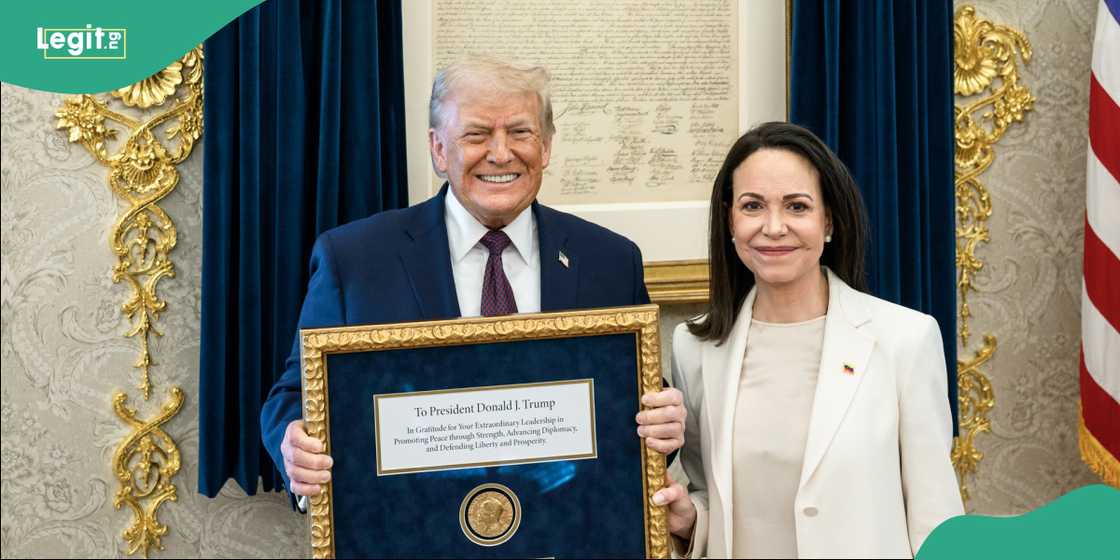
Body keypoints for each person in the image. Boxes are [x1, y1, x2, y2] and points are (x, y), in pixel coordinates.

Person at [259, 58, 686, 503]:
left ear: (546, 147)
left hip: (567, 531)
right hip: (410, 534)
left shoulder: (611, 261)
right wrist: (295, 444)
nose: (501, 154)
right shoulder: (354, 260)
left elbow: (638, 407)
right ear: (439, 149)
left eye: (520, 132)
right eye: (477, 135)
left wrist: (663, 426)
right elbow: (295, 394)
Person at [652, 122, 964, 558]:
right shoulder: (695, 346)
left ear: (829, 221)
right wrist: (690, 519)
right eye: (753, 206)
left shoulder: (905, 340)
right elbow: (712, 495)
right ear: (729, 220)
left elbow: (937, 521)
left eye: (797, 207)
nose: (774, 227)